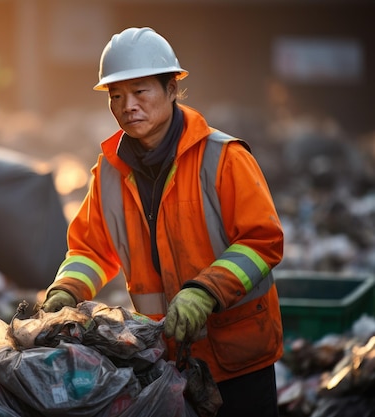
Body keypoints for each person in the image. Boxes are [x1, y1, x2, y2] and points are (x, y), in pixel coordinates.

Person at [40, 27, 284, 417]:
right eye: (116, 96)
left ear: (172, 89)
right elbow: (89, 250)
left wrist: (205, 292)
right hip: (167, 359)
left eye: (140, 92)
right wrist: (66, 291)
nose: (127, 106)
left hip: (239, 358)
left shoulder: (224, 157)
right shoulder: (108, 173)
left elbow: (262, 241)